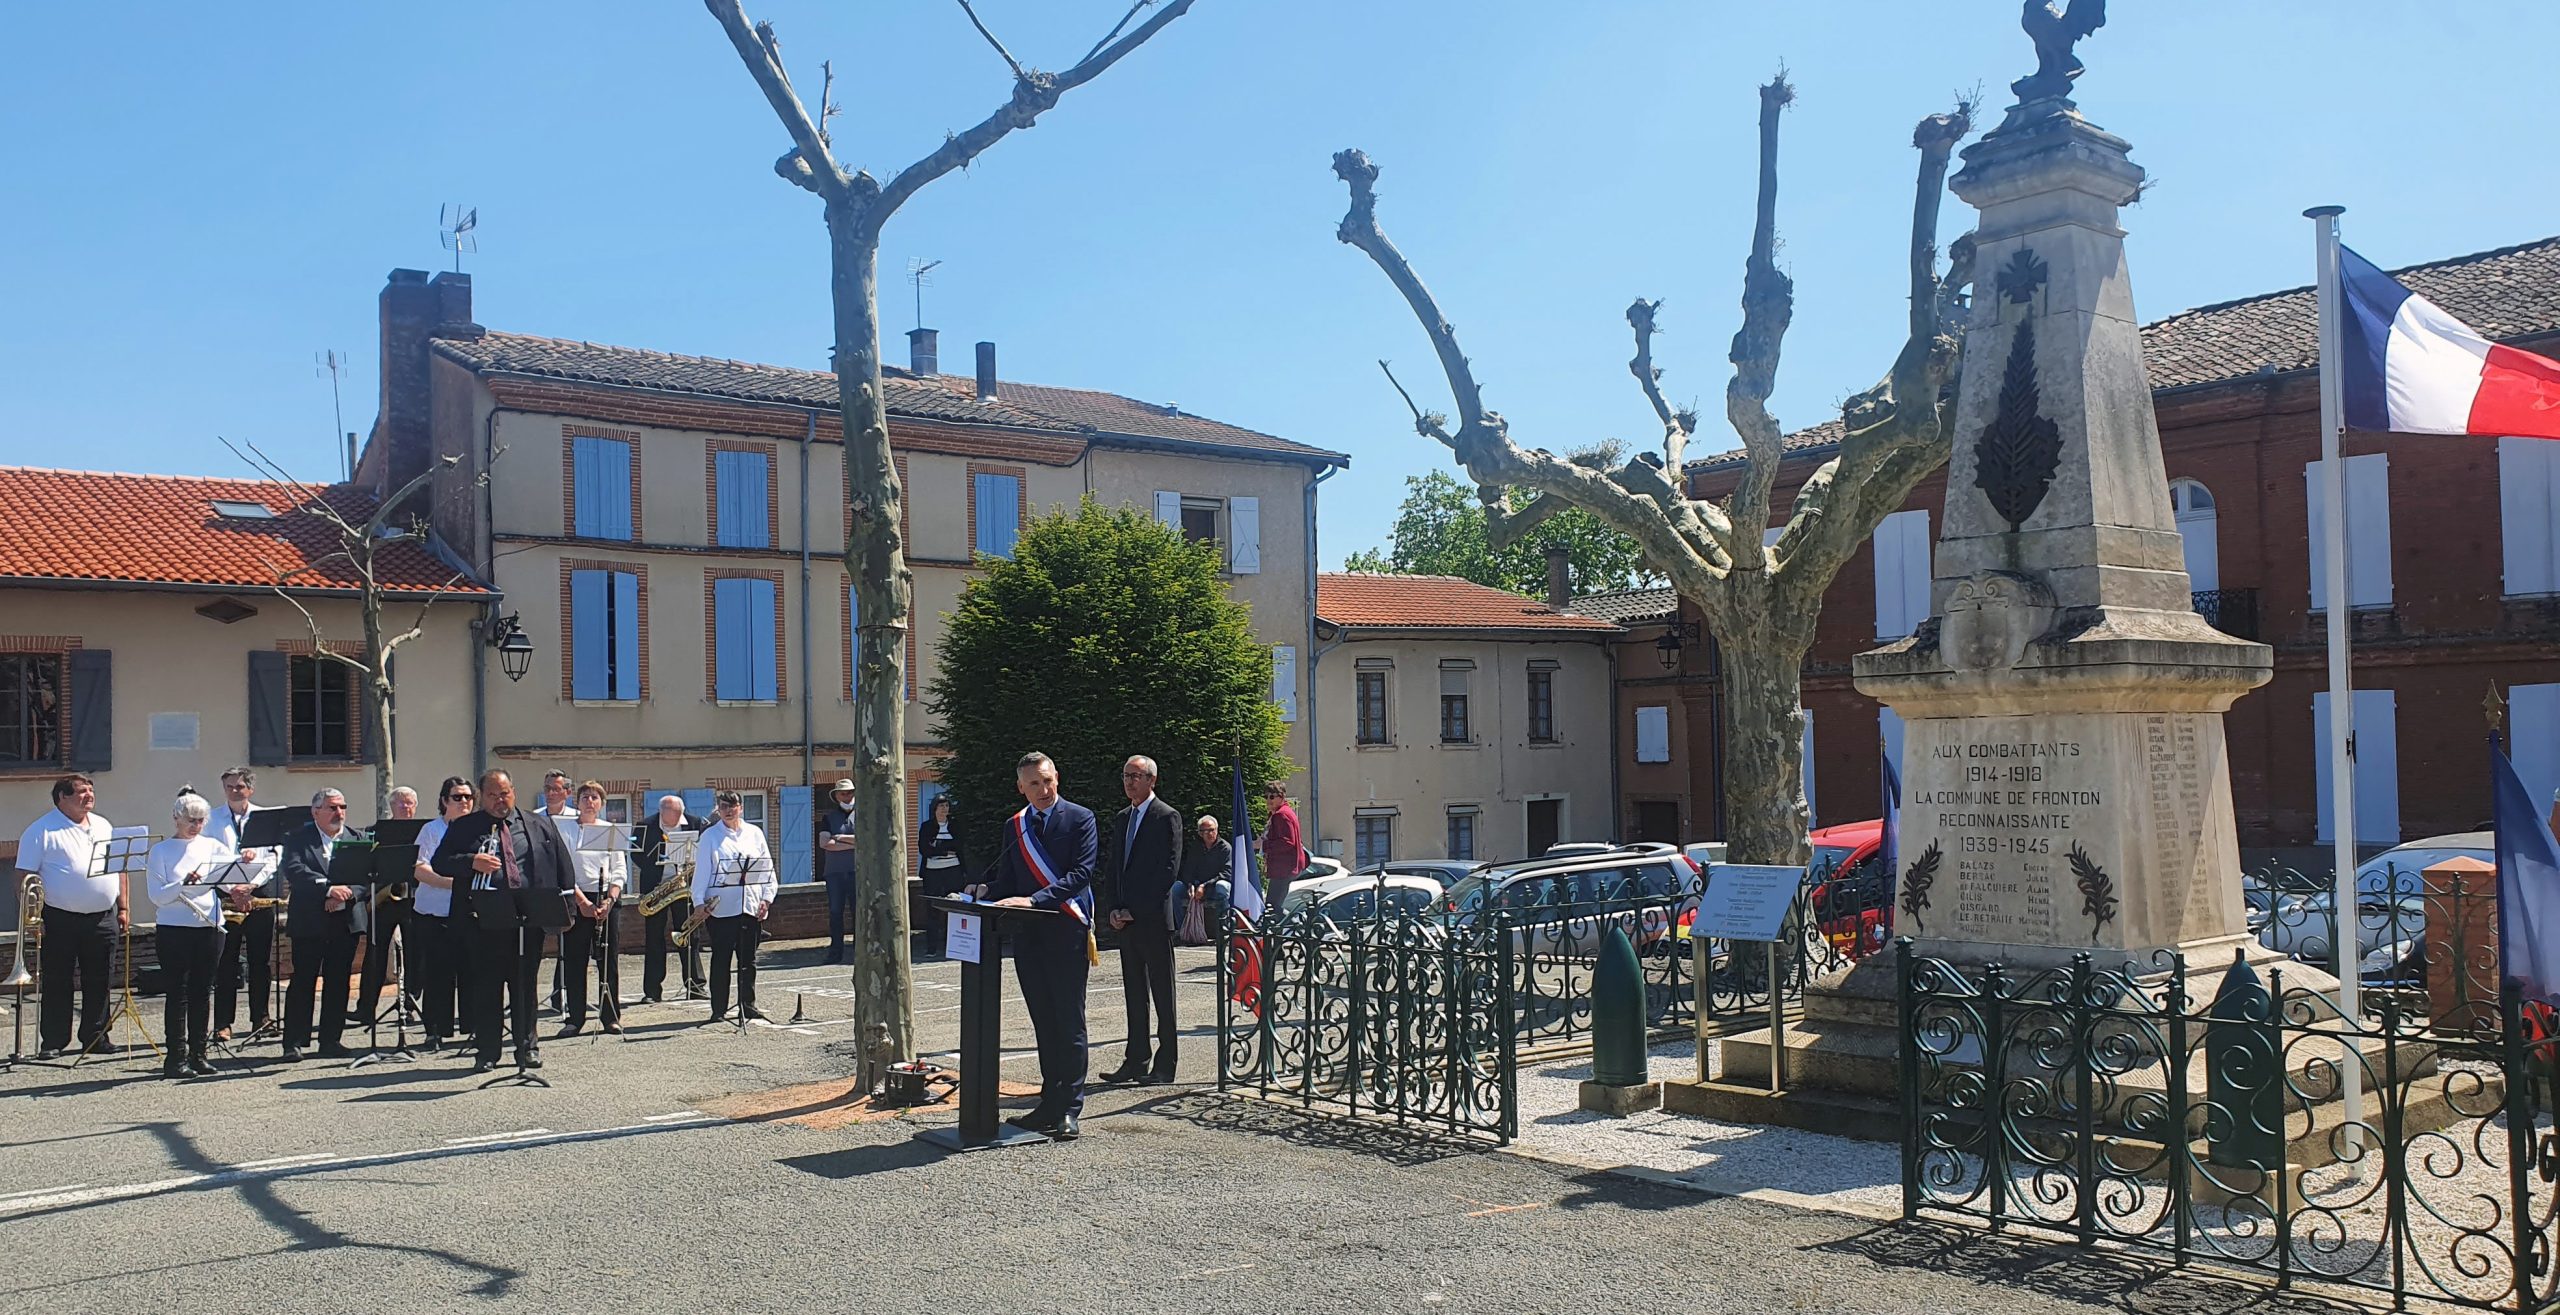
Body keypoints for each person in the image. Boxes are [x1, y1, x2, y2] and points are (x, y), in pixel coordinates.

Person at [973, 751, 1098, 1140]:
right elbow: (1010, 880)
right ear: (1021, 787)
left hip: (1067, 932)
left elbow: (1081, 873)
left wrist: (1034, 900)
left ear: (1056, 777)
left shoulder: (1080, 818)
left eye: (1047, 781)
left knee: (1068, 1022)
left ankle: (1070, 1108)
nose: (1044, 790)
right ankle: (1048, 1102)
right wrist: (984, 891)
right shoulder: (1016, 826)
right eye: (1034, 784)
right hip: (1029, 937)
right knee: (1043, 1020)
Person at [430, 770, 575, 1073]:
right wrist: (471, 861)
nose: (500, 800)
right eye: (493, 795)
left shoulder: (538, 824)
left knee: (525, 987)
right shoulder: (465, 827)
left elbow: (563, 866)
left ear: (514, 792)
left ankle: (527, 1048)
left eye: (505, 793)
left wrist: (567, 911)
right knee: (487, 988)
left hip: (529, 918)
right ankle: (488, 1052)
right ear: (482, 797)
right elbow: (439, 862)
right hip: (483, 921)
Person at [16, 774, 121, 1059]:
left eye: (91, 790)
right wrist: (32, 918)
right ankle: (54, 1040)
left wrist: (123, 908)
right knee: (58, 980)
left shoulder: (104, 825)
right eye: (81, 791)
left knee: (101, 979)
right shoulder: (41, 830)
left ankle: (96, 1036)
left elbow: (119, 868)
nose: (89, 795)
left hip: (102, 917)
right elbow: (24, 876)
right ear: (62, 797)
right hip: (59, 918)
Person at [146, 791, 244, 1078]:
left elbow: (229, 881)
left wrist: (244, 871)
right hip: (174, 929)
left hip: (208, 927)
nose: (196, 826)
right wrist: (183, 884)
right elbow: (157, 896)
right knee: (178, 992)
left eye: (201, 821)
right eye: (191, 820)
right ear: (176, 818)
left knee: (203, 991)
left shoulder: (212, 846)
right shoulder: (161, 851)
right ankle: (176, 1058)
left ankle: (199, 1054)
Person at [1099, 755, 1183, 1085]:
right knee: (1135, 994)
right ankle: (1135, 1060)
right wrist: (1114, 908)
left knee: (1163, 995)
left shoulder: (1166, 816)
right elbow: (1114, 867)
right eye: (1126, 776)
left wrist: (1138, 910)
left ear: (1152, 780)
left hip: (1153, 921)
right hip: (1126, 921)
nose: (1130, 782)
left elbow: (1167, 871)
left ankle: (1165, 1065)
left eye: (1136, 776)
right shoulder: (1124, 818)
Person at [278, 789, 361, 1061]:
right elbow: (295, 870)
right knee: (303, 980)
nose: (339, 813)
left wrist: (346, 894)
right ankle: (294, 1042)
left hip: (344, 921)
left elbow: (367, 875)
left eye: (342, 807)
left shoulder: (357, 838)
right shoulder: (297, 838)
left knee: (338, 982)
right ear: (315, 812)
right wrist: (327, 889)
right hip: (309, 921)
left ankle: (331, 1040)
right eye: (332, 808)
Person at [688, 791, 776, 1023]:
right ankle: (718, 1009)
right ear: (718, 809)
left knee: (748, 960)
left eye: (733, 806)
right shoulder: (710, 836)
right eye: (724, 806)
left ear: (741, 808)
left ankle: (748, 1005)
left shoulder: (755, 833)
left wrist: (767, 899)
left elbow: (766, 869)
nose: (728, 810)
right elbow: (702, 872)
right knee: (721, 960)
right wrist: (698, 902)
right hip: (721, 908)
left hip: (750, 905)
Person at [207, 766, 277, 1043]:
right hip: (226, 893)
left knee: (261, 959)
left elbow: (273, 857)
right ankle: (223, 1023)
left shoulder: (265, 817)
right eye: (229, 787)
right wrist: (233, 889)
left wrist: (250, 885)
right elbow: (209, 858)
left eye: (240, 786)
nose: (234, 791)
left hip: (259, 890)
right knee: (226, 960)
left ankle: (261, 1018)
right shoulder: (211, 819)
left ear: (250, 789)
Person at [404, 776, 471, 1052]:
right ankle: (435, 1030)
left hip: (468, 913)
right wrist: (452, 884)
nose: (464, 802)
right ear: (444, 801)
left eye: (468, 797)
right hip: (434, 912)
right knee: (436, 975)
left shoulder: (478, 830)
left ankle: (471, 1028)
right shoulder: (431, 830)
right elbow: (420, 869)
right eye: (457, 797)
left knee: (469, 973)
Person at [556, 781, 627, 1036]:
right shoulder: (564, 829)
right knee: (575, 960)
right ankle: (575, 1018)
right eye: (585, 797)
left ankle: (610, 1017)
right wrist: (582, 902)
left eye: (595, 797)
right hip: (577, 898)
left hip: (606, 898)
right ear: (577, 802)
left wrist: (610, 900)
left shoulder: (610, 830)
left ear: (602, 803)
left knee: (608, 960)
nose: (589, 801)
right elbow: (562, 870)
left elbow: (619, 869)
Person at [636, 795, 705, 1002]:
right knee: (654, 938)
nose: (675, 817)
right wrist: (657, 863)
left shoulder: (694, 823)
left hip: (685, 886)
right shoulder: (645, 825)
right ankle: (652, 991)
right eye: (670, 813)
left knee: (689, 934)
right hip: (657, 886)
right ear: (661, 811)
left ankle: (696, 986)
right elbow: (636, 855)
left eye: (678, 813)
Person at [916, 794, 966, 956]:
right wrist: (944, 850)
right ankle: (931, 947)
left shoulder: (955, 826)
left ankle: (955, 945)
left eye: (947, 806)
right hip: (932, 872)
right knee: (933, 908)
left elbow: (959, 845)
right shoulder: (926, 827)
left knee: (955, 905)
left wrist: (938, 847)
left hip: (953, 870)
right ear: (935, 809)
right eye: (941, 806)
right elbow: (925, 849)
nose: (945, 809)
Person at [1174, 814, 1234, 941]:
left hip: (1214, 886)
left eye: (1212, 830)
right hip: (1196, 885)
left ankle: (1224, 929)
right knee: (1175, 889)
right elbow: (1188, 870)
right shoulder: (1195, 847)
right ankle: (1181, 929)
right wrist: (1190, 885)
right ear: (1200, 833)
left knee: (1222, 887)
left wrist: (1205, 886)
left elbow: (1227, 873)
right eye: (1205, 831)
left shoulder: (1225, 848)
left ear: (1217, 830)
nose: (1209, 834)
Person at [818, 778, 858, 964]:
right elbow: (825, 843)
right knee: (835, 913)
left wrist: (840, 837)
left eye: (850, 792)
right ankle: (835, 953)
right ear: (836, 796)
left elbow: (866, 840)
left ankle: (859, 952)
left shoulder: (863, 815)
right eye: (843, 793)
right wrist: (854, 843)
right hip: (834, 873)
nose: (847, 796)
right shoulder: (828, 817)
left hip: (857, 872)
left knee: (859, 912)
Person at [1261, 781, 1307, 918]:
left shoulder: (1281, 815)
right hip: (1285, 868)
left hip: (1283, 868)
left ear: (1281, 796)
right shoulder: (1283, 812)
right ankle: (1297, 924)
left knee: (1272, 908)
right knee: (1273, 907)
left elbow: (1288, 842)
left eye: (1272, 796)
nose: (1268, 800)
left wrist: (1264, 845)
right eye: (1266, 796)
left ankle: (1298, 924)